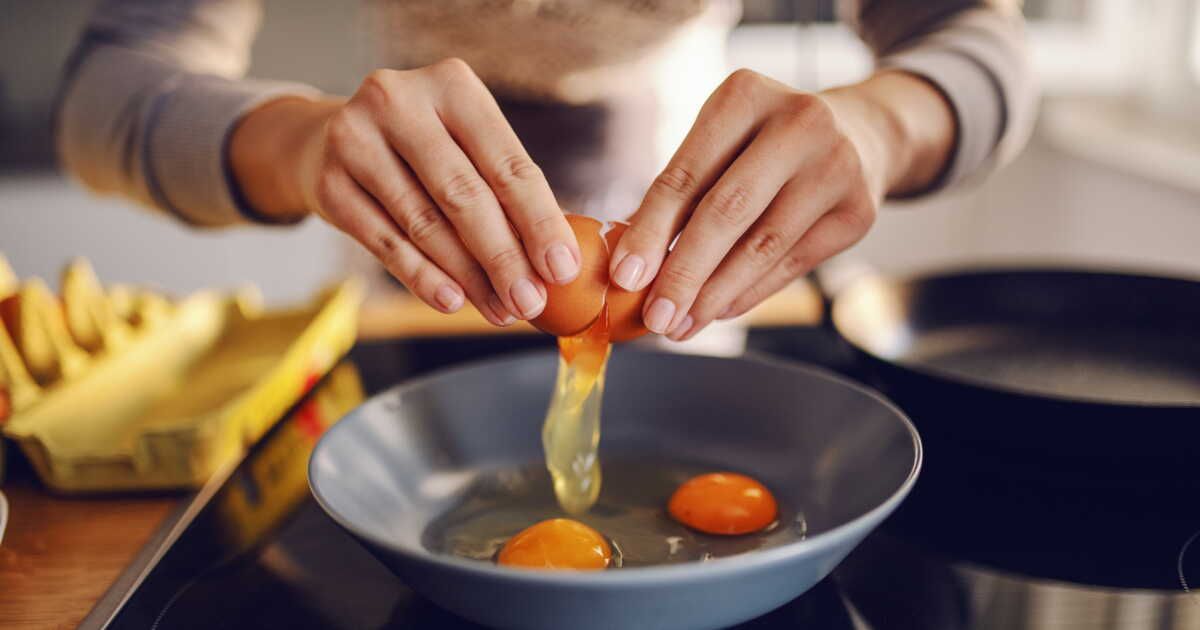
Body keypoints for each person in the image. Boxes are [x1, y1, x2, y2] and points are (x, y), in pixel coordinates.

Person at [56, 0, 1033, 341]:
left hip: (700, 270)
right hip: (414, 275)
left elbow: (979, 42)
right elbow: (103, 95)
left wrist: (878, 127)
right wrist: (300, 146)